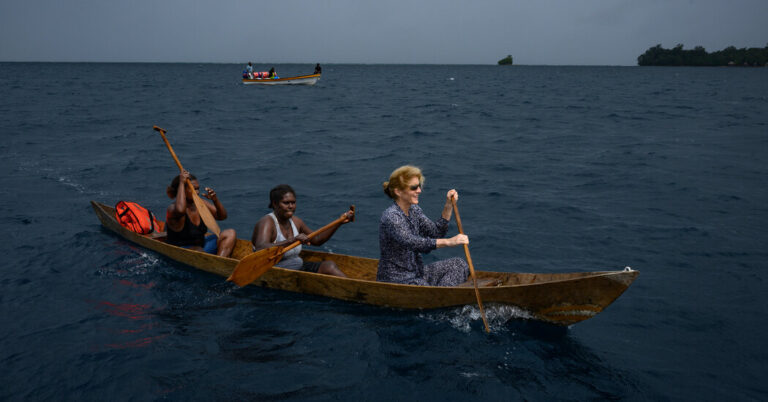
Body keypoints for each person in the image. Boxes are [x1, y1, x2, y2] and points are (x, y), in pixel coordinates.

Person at [376, 165, 469, 286]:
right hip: (396, 280)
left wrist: (448, 206)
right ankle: (441, 296)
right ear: (398, 191)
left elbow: (436, 232)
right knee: (423, 286)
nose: (419, 190)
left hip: (417, 273)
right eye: (414, 187)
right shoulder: (391, 217)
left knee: (459, 264)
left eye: (419, 186)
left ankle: (441, 294)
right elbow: (414, 243)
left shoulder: (414, 210)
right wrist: (449, 242)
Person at [251, 184, 353, 277]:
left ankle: (352, 286)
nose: (291, 206)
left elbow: (317, 240)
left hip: (294, 265)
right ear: (275, 204)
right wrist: (291, 240)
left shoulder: (296, 221)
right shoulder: (267, 222)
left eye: (293, 202)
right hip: (270, 268)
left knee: (329, 265)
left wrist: (339, 222)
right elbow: (261, 248)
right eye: (286, 203)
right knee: (301, 263)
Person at [165, 171, 236, 257]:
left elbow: (222, 216)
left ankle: (220, 261)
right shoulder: (172, 209)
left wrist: (215, 200)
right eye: (193, 189)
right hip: (182, 250)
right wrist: (181, 182)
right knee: (198, 250)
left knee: (230, 233)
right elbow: (180, 210)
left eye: (198, 188)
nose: (197, 192)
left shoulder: (201, 203)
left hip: (202, 247)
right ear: (182, 190)